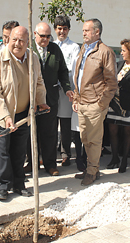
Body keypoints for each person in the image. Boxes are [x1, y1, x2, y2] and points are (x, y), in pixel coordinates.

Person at [0, 26, 49, 200]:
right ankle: (3, 186)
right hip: (1, 116)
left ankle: (19, 184)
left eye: (22, 40)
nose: (17, 44)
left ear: (28, 42)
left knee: (19, 150)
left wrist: (40, 101)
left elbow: (38, 82)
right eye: (14, 39)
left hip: (23, 114)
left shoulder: (33, 58)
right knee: (3, 151)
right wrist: (5, 117)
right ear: (8, 39)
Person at [72, 18, 118, 186]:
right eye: (83, 30)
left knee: (94, 139)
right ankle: (93, 168)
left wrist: (101, 104)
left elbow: (112, 82)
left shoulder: (105, 52)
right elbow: (79, 75)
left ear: (97, 32)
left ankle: (92, 171)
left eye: (87, 30)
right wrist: (77, 98)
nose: (83, 33)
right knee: (85, 137)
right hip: (82, 102)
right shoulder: (84, 49)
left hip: (95, 103)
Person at [32, 22, 71, 176]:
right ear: (35, 34)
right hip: (32, 100)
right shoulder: (28, 49)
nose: (46, 39)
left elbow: (62, 71)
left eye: (49, 36)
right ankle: (32, 163)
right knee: (31, 133)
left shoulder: (55, 49)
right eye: (43, 36)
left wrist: (67, 89)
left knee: (49, 133)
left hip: (50, 99)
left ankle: (50, 164)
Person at [106, 39, 130, 173]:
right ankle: (114, 157)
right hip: (113, 103)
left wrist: (123, 82)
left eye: (123, 50)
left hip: (128, 105)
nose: (121, 53)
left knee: (127, 132)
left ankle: (124, 161)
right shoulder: (118, 65)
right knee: (113, 131)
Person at [53, 16, 80, 167]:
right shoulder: (51, 45)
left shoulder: (74, 47)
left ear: (68, 29)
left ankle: (65, 154)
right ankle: (50, 153)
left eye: (64, 28)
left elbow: (72, 69)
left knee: (65, 123)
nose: (61, 31)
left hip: (66, 89)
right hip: (52, 89)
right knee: (51, 122)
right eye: (59, 28)